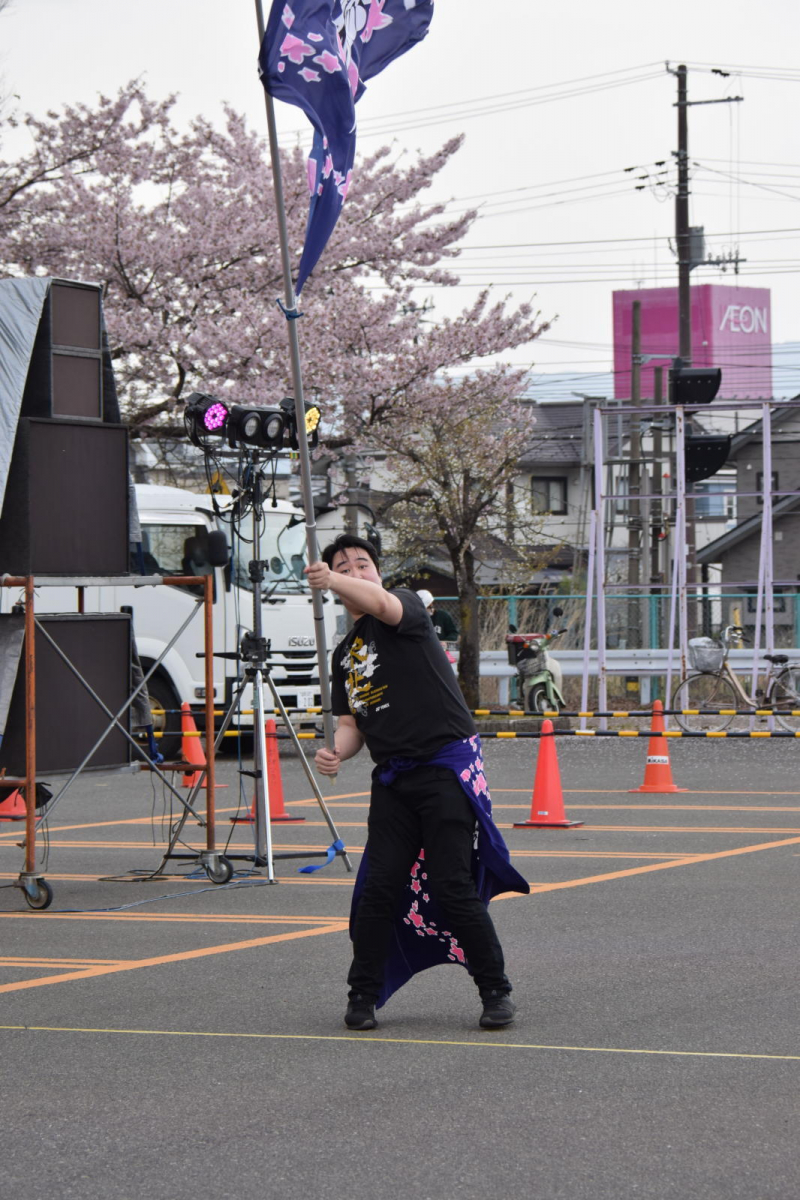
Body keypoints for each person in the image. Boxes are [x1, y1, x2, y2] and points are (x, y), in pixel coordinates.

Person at [305, 534, 529, 1033]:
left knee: (452, 883)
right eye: (344, 566)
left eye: (363, 564)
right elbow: (351, 726)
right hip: (393, 778)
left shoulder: (404, 610)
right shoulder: (343, 655)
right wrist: (335, 752)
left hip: (444, 768)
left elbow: (379, 602)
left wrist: (332, 575)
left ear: (377, 573)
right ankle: (362, 995)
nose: (355, 571)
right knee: (378, 888)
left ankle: (496, 990)